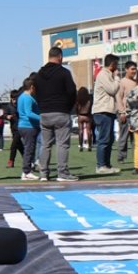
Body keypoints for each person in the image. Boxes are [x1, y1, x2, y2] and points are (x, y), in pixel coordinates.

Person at [36, 45, 78, 181]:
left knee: (45, 144)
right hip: (61, 112)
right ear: (60, 57)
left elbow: (36, 94)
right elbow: (72, 92)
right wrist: (68, 107)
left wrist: (42, 106)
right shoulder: (64, 73)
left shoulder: (38, 75)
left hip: (44, 113)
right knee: (62, 144)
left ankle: (43, 173)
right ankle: (62, 173)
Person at [92, 54, 119, 173]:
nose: (117, 67)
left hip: (108, 110)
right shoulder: (103, 75)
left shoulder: (107, 75)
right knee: (104, 139)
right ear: (112, 64)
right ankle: (101, 165)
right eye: (116, 64)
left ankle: (107, 165)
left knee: (109, 139)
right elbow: (112, 89)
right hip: (102, 111)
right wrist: (117, 78)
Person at [17, 75, 42, 180]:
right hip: (29, 126)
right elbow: (29, 113)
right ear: (32, 87)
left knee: (29, 149)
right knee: (29, 149)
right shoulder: (27, 98)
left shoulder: (21, 97)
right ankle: (26, 171)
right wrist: (42, 118)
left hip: (23, 126)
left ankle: (26, 171)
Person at [114, 60, 138, 164]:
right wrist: (122, 112)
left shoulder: (136, 82)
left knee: (136, 136)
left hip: (136, 113)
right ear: (126, 69)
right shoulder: (122, 82)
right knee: (124, 136)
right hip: (125, 113)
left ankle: (137, 156)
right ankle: (121, 157)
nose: (134, 71)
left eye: (135, 69)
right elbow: (119, 98)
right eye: (132, 69)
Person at [5, 89, 22, 168]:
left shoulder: (21, 105)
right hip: (13, 128)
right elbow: (5, 114)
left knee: (13, 145)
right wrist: (7, 116)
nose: (14, 101)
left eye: (16, 99)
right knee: (19, 145)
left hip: (21, 127)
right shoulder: (9, 106)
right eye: (13, 99)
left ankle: (11, 161)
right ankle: (28, 159)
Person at [74, 86, 93, 151]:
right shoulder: (89, 100)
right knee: (89, 131)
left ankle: (81, 145)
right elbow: (90, 108)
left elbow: (76, 108)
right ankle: (89, 146)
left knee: (80, 131)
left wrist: (77, 114)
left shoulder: (78, 100)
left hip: (80, 116)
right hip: (87, 116)